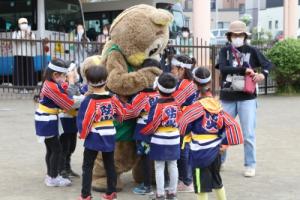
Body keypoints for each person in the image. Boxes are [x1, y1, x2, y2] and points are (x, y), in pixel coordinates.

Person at [179, 67, 244, 200]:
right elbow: (231, 124)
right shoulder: (217, 106)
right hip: (215, 150)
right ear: (209, 83)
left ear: (194, 84)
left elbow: (183, 125)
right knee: (217, 182)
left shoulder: (195, 107)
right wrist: (225, 143)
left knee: (201, 185)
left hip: (199, 151)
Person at [218, 20, 272, 177]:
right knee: (222, 131)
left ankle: (250, 164)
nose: (237, 37)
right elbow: (223, 68)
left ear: (244, 36)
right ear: (229, 36)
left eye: (240, 34)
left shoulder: (252, 50)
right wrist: (244, 70)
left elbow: (268, 64)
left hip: (247, 97)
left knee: (248, 133)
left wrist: (263, 74)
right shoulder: (225, 51)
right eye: (234, 34)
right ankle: (220, 160)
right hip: (227, 97)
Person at [77, 65, 125, 200]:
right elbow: (121, 114)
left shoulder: (89, 100)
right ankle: (111, 192)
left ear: (89, 81)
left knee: (87, 166)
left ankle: (85, 194)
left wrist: (82, 134)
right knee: (109, 164)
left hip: (94, 136)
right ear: (106, 79)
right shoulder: (113, 97)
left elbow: (85, 120)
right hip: (109, 134)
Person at [34, 58, 83, 187]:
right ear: (55, 75)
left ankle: (51, 175)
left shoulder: (51, 83)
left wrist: (71, 85)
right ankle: (53, 177)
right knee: (56, 150)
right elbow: (67, 103)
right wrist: (84, 98)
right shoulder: (51, 87)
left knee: (51, 150)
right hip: (46, 120)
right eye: (63, 76)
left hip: (47, 119)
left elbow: (63, 89)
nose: (64, 78)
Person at [141, 73, 181, 200]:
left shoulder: (157, 104)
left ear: (158, 87)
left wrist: (145, 135)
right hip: (174, 136)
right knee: (173, 164)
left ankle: (160, 194)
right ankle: (172, 193)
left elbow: (152, 124)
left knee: (159, 166)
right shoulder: (177, 102)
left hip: (159, 138)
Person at [124, 59, 161, 195]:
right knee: (161, 158)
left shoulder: (140, 96)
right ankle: (164, 184)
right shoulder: (163, 95)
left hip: (144, 130)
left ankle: (146, 185)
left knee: (145, 158)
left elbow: (131, 112)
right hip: (161, 131)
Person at [170, 54, 196, 193]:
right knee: (183, 150)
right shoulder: (185, 83)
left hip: (185, 121)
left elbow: (174, 101)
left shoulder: (185, 85)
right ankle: (184, 179)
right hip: (185, 120)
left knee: (183, 150)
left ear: (182, 69)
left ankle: (187, 181)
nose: (172, 70)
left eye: (174, 68)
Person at [58, 62, 81, 179]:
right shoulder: (62, 85)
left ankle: (67, 167)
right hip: (64, 120)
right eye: (73, 71)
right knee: (64, 146)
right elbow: (69, 98)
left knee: (72, 146)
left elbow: (79, 95)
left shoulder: (75, 84)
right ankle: (61, 169)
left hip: (73, 119)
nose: (76, 74)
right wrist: (71, 81)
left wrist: (74, 82)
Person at [12, 17, 36, 88]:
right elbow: (16, 41)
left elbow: (34, 42)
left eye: (25, 23)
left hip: (29, 55)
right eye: (22, 23)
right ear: (19, 25)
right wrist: (23, 34)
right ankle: (20, 86)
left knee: (29, 71)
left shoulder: (31, 32)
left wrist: (29, 34)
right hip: (19, 55)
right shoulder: (16, 32)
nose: (24, 24)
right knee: (20, 71)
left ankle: (30, 86)